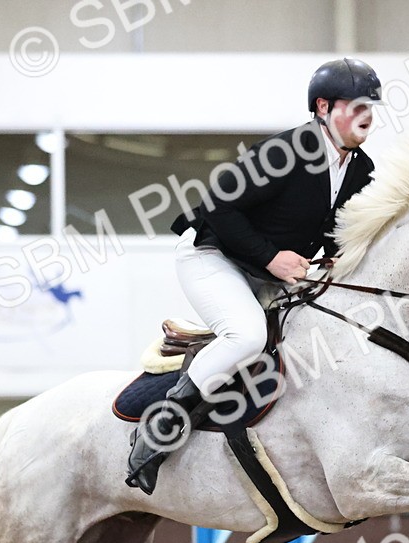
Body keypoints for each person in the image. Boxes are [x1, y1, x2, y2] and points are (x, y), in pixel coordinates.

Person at [126, 57, 382, 494]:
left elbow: (335, 232)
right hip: (212, 256)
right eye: (355, 105)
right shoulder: (284, 152)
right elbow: (217, 206)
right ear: (322, 108)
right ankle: (158, 430)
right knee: (246, 336)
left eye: (371, 106)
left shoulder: (360, 168)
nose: (367, 115)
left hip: (269, 273)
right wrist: (272, 258)